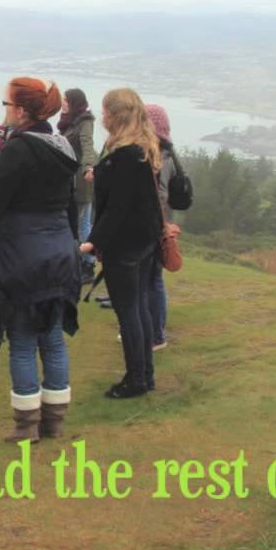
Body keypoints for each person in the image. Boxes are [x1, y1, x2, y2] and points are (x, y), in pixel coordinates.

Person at [0, 77, 79, 443]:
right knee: (53, 338)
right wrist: (75, 249)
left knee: (22, 339)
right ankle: (54, 422)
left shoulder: (18, 149)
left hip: (23, 256)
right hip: (60, 254)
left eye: (6, 104)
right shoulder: (64, 147)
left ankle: (26, 427)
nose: (3, 110)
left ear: (21, 110)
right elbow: (69, 206)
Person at [81, 89, 163, 399]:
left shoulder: (123, 156)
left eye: (105, 112)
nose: (102, 117)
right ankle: (146, 374)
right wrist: (100, 172)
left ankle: (135, 380)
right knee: (139, 307)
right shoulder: (142, 148)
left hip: (125, 246)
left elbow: (117, 207)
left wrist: (92, 243)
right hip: (145, 241)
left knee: (128, 311)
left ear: (114, 116)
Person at [57, 88, 97, 283]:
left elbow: (87, 145)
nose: (63, 103)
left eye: (66, 100)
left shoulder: (84, 122)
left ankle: (88, 265)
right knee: (78, 223)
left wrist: (89, 167)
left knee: (82, 225)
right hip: (68, 179)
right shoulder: (68, 121)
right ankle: (76, 262)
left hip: (81, 180)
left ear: (74, 102)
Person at [145, 104, 175, 351]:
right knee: (154, 278)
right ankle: (155, 330)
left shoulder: (157, 156)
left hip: (155, 224)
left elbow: (160, 195)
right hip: (162, 222)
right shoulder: (169, 153)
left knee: (151, 279)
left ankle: (155, 334)